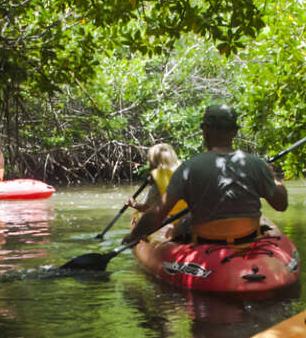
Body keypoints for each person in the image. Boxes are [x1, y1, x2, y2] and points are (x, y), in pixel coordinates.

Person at [123, 105, 287, 246]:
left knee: (180, 224)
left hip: (206, 241)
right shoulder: (255, 164)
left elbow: (156, 214)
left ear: (204, 131)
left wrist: (133, 237)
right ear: (235, 132)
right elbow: (281, 204)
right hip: (248, 237)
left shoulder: (189, 168)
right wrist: (272, 176)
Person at [127, 143, 187, 215]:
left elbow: (147, 208)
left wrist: (134, 204)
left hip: (170, 220)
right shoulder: (185, 172)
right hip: (187, 218)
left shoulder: (158, 185)